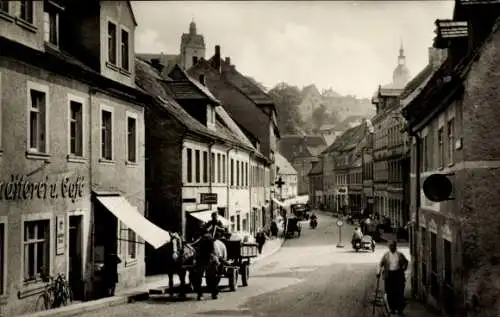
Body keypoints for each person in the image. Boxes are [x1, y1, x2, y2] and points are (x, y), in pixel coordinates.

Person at [376, 241, 409, 315]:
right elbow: (380, 264)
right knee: (389, 293)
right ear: (388, 247)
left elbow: (406, 262)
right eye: (390, 246)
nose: (391, 247)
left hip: (398, 274)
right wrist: (378, 272)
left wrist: (404, 268)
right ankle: (392, 308)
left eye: (393, 246)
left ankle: (399, 309)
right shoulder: (386, 255)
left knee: (399, 292)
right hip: (389, 275)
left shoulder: (400, 254)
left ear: (395, 246)